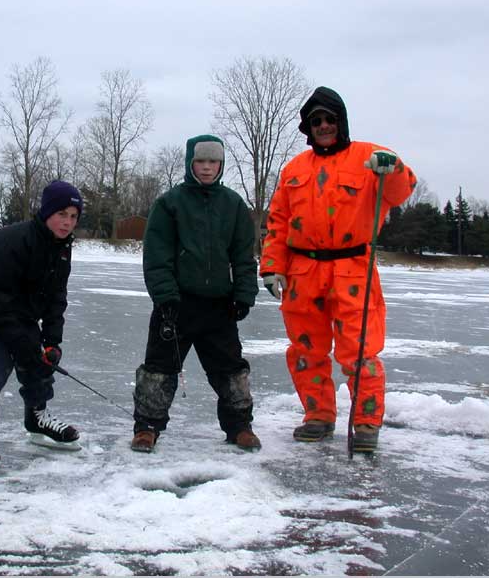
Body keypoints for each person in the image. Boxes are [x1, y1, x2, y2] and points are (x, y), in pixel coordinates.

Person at [260, 86, 417, 452]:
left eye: (330, 119)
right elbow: (278, 221)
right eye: (317, 121)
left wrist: (391, 168)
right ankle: (318, 416)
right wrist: (272, 267)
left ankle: (365, 422)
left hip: (352, 271)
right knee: (305, 351)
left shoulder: (370, 157)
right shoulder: (294, 169)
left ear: (341, 122)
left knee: (360, 352)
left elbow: (402, 188)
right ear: (308, 127)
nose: (324, 126)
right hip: (303, 274)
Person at [131, 134, 261, 453]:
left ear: (221, 164)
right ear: (191, 163)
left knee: (231, 370)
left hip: (219, 307)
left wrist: (243, 294)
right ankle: (147, 428)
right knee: (159, 370)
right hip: (176, 306)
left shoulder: (233, 205)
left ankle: (239, 426)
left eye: (212, 162)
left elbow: (244, 256)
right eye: (200, 161)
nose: (206, 168)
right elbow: (157, 257)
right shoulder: (169, 204)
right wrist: (166, 299)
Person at [0, 180, 84, 473]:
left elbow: (56, 298)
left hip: (20, 307)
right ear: (47, 212)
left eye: (74, 216)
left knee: (40, 360)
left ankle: (37, 416)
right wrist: (22, 344)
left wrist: (51, 343)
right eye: (62, 214)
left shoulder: (62, 249)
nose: (68, 222)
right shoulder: (12, 240)